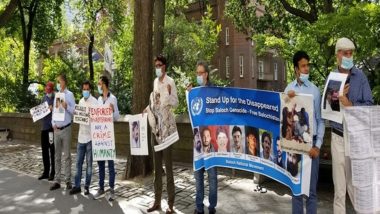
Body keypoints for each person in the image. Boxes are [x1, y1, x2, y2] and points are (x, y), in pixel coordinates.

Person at [329, 38, 373, 213]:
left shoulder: (360, 76)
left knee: (356, 186)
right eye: (345, 53)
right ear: (337, 55)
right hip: (337, 135)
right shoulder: (332, 78)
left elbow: (369, 105)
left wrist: (348, 103)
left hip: (356, 138)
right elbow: (326, 108)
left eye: (351, 53)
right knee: (339, 189)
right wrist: (334, 99)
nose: (348, 56)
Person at [285, 50, 325, 214]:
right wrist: (288, 99)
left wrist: (318, 145)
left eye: (308, 65)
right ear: (296, 69)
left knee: (311, 192)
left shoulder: (315, 91)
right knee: (295, 190)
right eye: (303, 66)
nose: (306, 69)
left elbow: (321, 120)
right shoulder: (288, 89)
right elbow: (283, 115)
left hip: (311, 147)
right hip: (294, 145)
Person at [146, 55, 178, 214]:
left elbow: (176, 102)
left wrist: (170, 95)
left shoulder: (170, 82)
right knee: (157, 168)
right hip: (156, 131)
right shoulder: (154, 82)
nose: (157, 67)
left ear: (165, 66)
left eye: (159, 65)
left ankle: (171, 204)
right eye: (155, 65)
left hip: (167, 132)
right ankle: (157, 201)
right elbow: (154, 102)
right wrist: (148, 109)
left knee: (169, 168)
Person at [188, 61, 217, 214]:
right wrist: (190, 94)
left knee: (212, 177)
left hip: (211, 142)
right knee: (198, 176)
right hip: (197, 141)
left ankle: (212, 207)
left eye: (200, 73)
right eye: (197, 73)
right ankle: (199, 208)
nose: (198, 75)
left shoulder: (214, 91)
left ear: (206, 74)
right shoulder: (195, 91)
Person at [93, 75, 120, 201]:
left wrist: (113, 110)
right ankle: (101, 188)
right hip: (100, 137)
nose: (98, 86)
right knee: (100, 163)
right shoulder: (98, 100)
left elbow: (117, 117)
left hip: (108, 137)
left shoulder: (112, 98)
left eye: (99, 83)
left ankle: (112, 189)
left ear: (104, 84)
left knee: (110, 164)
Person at [70, 80, 97, 195]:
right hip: (81, 137)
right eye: (83, 89)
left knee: (89, 164)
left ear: (90, 90)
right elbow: (78, 116)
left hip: (90, 137)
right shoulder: (80, 101)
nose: (85, 91)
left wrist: (90, 116)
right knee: (78, 163)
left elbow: (97, 118)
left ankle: (86, 186)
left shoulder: (95, 102)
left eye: (87, 89)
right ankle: (77, 185)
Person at [50, 74, 75, 191]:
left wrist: (67, 107)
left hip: (66, 129)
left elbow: (74, 111)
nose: (58, 83)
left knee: (67, 156)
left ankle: (68, 180)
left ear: (64, 82)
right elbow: (54, 112)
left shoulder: (70, 95)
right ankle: (57, 180)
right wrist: (53, 123)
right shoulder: (57, 95)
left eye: (59, 81)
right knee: (57, 156)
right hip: (57, 130)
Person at [38, 81, 55, 181]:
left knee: (52, 151)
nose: (48, 90)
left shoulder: (55, 98)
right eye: (46, 88)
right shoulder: (43, 98)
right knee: (44, 150)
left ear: (52, 89)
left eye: (49, 88)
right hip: (43, 128)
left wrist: (52, 108)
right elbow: (39, 112)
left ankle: (53, 172)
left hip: (51, 129)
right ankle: (46, 171)